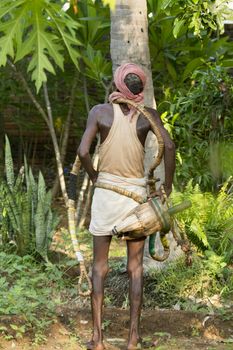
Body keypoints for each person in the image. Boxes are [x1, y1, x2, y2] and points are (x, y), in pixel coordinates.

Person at [78, 63, 175, 350]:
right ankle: (132, 340)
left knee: (99, 267)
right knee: (135, 268)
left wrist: (97, 178)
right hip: (135, 200)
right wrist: (165, 189)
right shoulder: (149, 115)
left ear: (118, 85)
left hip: (106, 195)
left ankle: (98, 339)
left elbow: (83, 152)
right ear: (140, 89)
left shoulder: (99, 112)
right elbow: (168, 147)